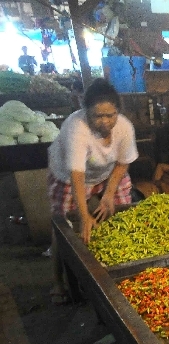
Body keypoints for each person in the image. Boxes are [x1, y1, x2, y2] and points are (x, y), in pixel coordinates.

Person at [47, 78, 138, 304]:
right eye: (98, 116)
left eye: (111, 115)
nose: (106, 121)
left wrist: (108, 195)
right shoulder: (76, 128)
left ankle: (121, 268)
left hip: (105, 172)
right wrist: (83, 214)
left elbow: (123, 162)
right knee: (64, 229)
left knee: (123, 213)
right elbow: (76, 174)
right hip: (69, 176)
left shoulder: (124, 127)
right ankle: (58, 283)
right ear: (85, 111)